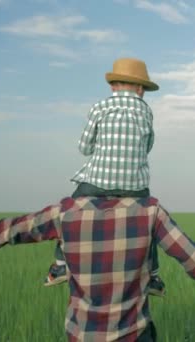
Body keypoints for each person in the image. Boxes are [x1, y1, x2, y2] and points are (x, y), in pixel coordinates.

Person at [0, 196, 195, 341]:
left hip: (82, 335)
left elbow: (11, 230)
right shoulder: (150, 211)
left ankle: (58, 266)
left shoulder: (66, 212)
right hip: (134, 336)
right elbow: (191, 255)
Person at [45, 57, 166, 297]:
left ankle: (60, 266)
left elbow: (84, 147)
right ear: (141, 89)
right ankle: (152, 276)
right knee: (148, 222)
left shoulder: (99, 107)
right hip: (136, 186)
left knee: (68, 213)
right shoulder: (146, 111)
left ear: (112, 86)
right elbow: (148, 144)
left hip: (96, 182)